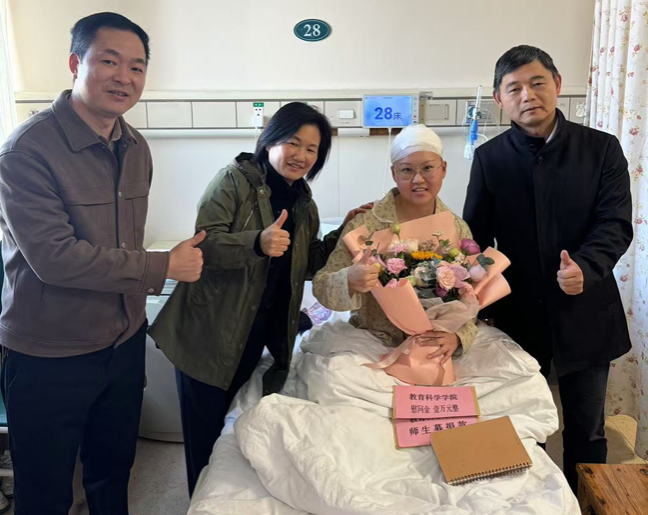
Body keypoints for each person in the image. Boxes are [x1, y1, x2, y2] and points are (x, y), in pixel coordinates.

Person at [0, 12, 203, 514]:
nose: (124, 77)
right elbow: (55, 259)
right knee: (44, 491)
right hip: (51, 352)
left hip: (122, 342)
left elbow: (124, 240)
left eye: (137, 67)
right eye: (109, 61)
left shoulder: (135, 146)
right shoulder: (26, 152)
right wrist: (162, 267)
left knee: (114, 472)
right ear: (76, 63)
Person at [149, 102, 372, 496]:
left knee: (232, 439)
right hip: (210, 333)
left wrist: (345, 230)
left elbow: (308, 262)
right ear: (270, 140)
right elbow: (204, 245)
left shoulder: (303, 202)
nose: (301, 155)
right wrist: (256, 242)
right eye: (293, 142)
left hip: (255, 334)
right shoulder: (233, 181)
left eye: (312, 149)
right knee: (204, 438)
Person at [463, 45, 633, 492]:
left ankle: (586, 502)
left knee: (588, 430)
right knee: (521, 427)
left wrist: (586, 267)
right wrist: (477, 306)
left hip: (587, 311)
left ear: (557, 84)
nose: (528, 95)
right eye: (514, 88)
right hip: (517, 316)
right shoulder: (490, 158)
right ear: (499, 99)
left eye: (537, 83)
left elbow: (614, 223)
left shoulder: (601, 149)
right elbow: (475, 241)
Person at [313, 124, 477, 362]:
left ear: (443, 169)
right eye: (407, 170)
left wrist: (458, 336)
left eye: (428, 168)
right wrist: (349, 279)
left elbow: (473, 294)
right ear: (394, 173)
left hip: (437, 344)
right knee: (337, 376)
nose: (418, 179)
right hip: (371, 340)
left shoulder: (457, 228)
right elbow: (321, 285)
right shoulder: (366, 226)